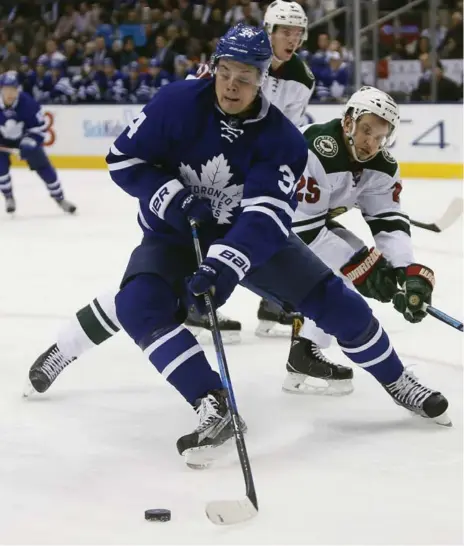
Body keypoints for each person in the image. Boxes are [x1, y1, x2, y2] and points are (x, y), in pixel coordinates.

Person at [27, 25, 450, 468]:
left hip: (246, 237)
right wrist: (173, 199)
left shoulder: (282, 139)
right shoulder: (176, 103)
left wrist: (224, 264)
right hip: (175, 233)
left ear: (263, 78)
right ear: (215, 67)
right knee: (136, 304)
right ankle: (213, 404)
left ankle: (399, 381)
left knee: (336, 303)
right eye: (226, 72)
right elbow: (124, 159)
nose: (232, 84)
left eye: (245, 76)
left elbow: (265, 218)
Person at [283, 86, 439, 395]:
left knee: (353, 266)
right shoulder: (315, 149)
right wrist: (360, 266)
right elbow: (303, 230)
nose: (371, 143)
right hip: (256, 218)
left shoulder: (381, 166)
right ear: (348, 122)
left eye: (380, 137)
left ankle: (304, 350)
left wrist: (404, 271)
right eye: (366, 130)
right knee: (349, 267)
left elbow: (387, 220)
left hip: (303, 221)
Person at [0, 71, 76, 215]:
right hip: (2, 141)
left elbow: (40, 129)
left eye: (13, 89)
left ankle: (60, 198)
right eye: (6, 89)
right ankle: (8, 197)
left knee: (44, 167)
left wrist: (29, 143)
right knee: (0, 169)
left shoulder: (28, 103)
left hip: (26, 139)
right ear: (1, 90)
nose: (10, 93)